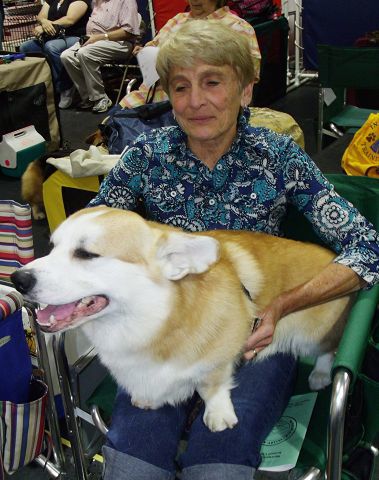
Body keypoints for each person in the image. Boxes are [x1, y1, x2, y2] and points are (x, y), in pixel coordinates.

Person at [88, 21, 379, 480]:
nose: (195, 101)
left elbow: (366, 245)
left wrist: (285, 304)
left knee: (220, 456)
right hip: (160, 334)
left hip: (251, 335)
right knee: (133, 457)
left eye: (212, 82)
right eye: (180, 86)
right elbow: (90, 234)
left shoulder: (278, 157)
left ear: (244, 90)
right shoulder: (146, 157)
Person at [119, 0, 261, 109]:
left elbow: (248, 76)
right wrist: (144, 52)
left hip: (194, 107)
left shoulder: (238, 28)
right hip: (148, 98)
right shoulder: (177, 20)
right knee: (112, 126)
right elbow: (152, 47)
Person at [60, 0, 140, 113]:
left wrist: (101, 37)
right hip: (93, 40)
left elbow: (129, 32)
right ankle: (88, 97)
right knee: (66, 56)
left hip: (119, 43)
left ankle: (100, 98)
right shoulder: (97, 2)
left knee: (85, 53)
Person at [19, 0, 91, 109]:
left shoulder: (80, 1)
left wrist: (45, 25)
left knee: (51, 47)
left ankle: (66, 86)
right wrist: (44, 22)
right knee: (26, 47)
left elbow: (70, 19)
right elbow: (40, 16)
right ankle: (39, 86)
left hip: (75, 38)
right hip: (52, 38)